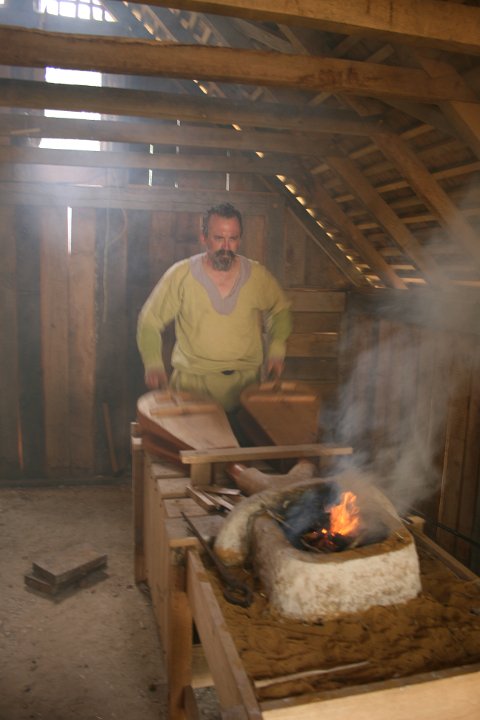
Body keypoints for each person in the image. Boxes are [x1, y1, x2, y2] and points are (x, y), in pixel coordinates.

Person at [136, 202, 292, 418]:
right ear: (204, 238)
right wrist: (153, 363)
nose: (226, 246)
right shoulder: (181, 275)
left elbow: (280, 309)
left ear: (239, 240)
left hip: (246, 387)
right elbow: (149, 321)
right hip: (192, 387)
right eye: (219, 238)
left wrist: (277, 348)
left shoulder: (257, 276)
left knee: (247, 439)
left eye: (233, 238)